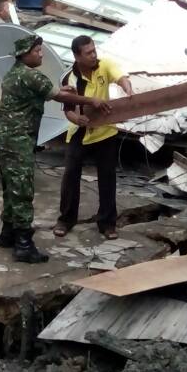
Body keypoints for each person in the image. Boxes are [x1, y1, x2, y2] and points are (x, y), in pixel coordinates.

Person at [0, 35, 110, 263]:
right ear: (25, 54)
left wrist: (62, 91)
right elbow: (57, 96)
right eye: (37, 51)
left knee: (11, 187)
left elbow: (43, 93)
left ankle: (8, 233)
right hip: (17, 141)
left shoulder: (15, 73)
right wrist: (90, 100)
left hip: (4, 139)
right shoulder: (31, 75)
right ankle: (23, 245)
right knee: (22, 190)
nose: (41, 54)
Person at [54, 36, 133, 241]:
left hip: (105, 130)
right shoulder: (69, 79)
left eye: (94, 50)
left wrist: (127, 87)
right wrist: (77, 119)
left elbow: (120, 76)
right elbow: (68, 110)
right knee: (71, 174)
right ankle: (66, 219)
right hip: (80, 131)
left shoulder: (104, 65)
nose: (93, 55)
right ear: (77, 56)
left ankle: (107, 223)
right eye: (88, 53)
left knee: (107, 177)